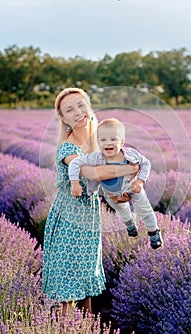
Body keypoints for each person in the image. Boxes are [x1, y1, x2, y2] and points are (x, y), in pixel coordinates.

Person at [42, 88, 139, 317]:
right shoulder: (67, 148)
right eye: (69, 110)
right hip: (68, 221)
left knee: (85, 285)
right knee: (66, 287)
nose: (77, 112)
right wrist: (133, 167)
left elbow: (103, 185)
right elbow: (92, 174)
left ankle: (86, 328)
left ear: (89, 106)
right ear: (63, 119)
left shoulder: (97, 145)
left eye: (80, 105)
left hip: (89, 222)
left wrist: (120, 196)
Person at [68, 118, 163, 250]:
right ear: (98, 142)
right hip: (111, 194)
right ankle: (130, 225)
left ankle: (154, 233)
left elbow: (146, 163)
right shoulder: (96, 157)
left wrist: (140, 181)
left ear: (122, 142)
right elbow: (75, 162)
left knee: (144, 209)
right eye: (103, 140)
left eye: (113, 139)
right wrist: (75, 183)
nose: (108, 143)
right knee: (122, 211)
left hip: (132, 189)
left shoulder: (131, 155)